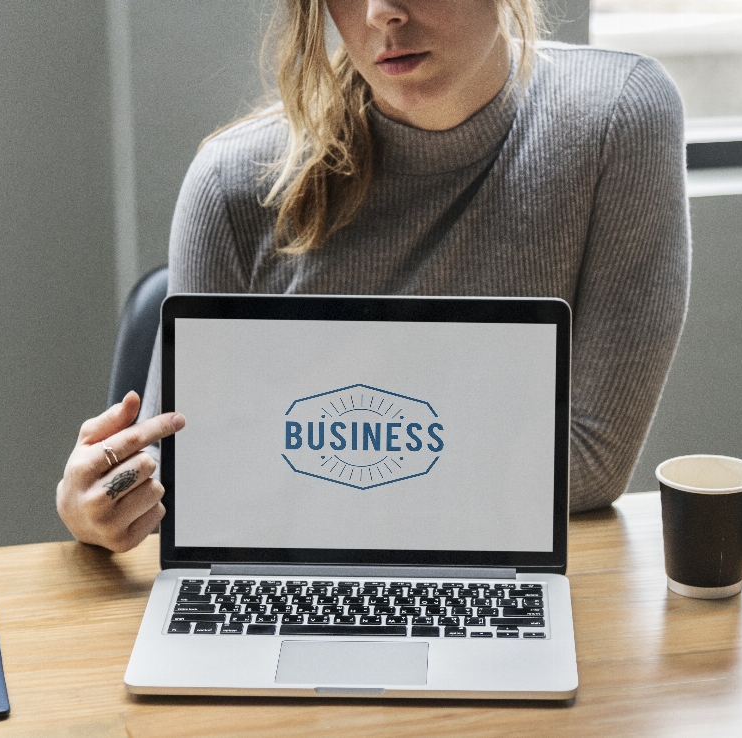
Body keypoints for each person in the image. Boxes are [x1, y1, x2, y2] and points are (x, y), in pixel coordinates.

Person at [57, 0, 690, 553]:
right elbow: (191, 480)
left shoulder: (616, 122)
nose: (380, 11)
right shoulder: (233, 182)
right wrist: (100, 501)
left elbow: (586, 461)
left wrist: (297, 456)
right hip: (293, 581)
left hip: (496, 576)